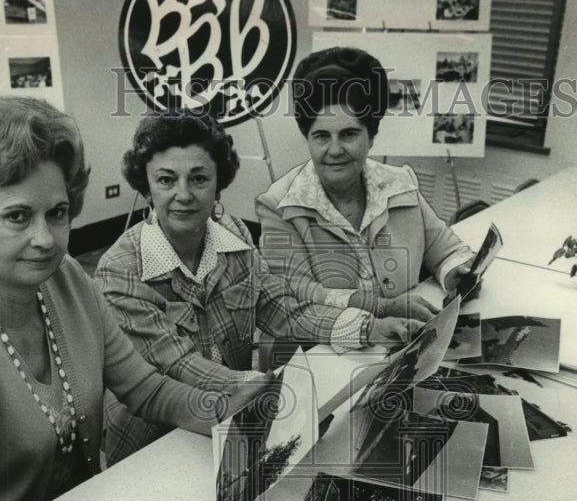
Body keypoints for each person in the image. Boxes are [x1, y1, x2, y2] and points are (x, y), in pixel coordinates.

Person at [0, 96, 241, 501]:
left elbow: (145, 389)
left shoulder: (65, 278)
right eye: (18, 217)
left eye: (58, 213)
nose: (46, 239)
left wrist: (233, 410)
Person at [95, 110, 418, 463]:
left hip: (234, 426)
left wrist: (369, 327)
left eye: (199, 178)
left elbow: (281, 309)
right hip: (152, 447)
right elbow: (180, 365)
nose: (183, 194)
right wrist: (267, 390)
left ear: (219, 183)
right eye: (166, 180)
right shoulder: (121, 269)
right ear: (146, 187)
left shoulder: (235, 233)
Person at [256, 46, 475, 324]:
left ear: (371, 137)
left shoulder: (399, 184)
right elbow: (294, 293)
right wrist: (382, 307)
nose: (334, 150)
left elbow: (445, 249)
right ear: (307, 138)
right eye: (321, 136)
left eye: (349, 134)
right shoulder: (279, 204)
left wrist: (453, 271)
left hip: (399, 339)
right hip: (316, 350)